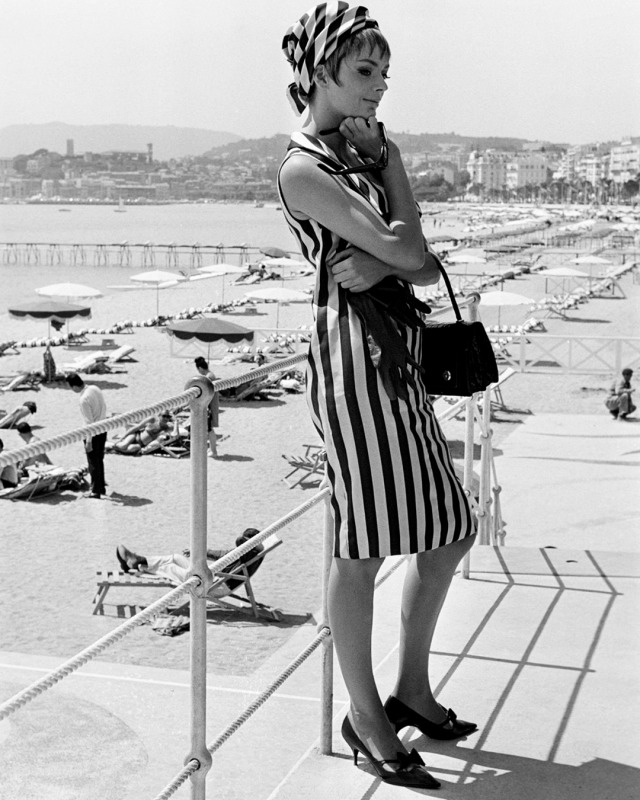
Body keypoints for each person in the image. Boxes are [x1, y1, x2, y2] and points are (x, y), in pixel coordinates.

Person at [278, 4, 476, 789]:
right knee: (359, 548)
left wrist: (387, 161)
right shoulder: (305, 166)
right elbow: (412, 251)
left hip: (391, 353)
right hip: (354, 364)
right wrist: (394, 252)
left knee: (450, 529)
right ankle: (366, 719)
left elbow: (414, 262)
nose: (378, 89)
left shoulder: (356, 150)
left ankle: (410, 692)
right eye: (364, 73)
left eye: (384, 75)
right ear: (321, 71)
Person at [115, 528, 265, 594]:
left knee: (170, 568)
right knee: (175, 558)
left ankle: (143, 567)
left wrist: (247, 540)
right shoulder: (245, 552)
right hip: (214, 578)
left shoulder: (250, 553)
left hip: (216, 585)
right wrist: (198, 552)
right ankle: (139, 560)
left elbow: (239, 540)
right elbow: (221, 554)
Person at [66, 372, 107, 498]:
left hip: (93, 432)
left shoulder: (83, 399)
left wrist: (88, 441)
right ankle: (100, 485)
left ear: (74, 386)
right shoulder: (95, 388)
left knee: (93, 462)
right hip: (103, 428)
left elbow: (89, 422)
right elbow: (103, 407)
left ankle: (96, 490)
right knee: (99, 459)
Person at [194, 356, 221, 457]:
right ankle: (212, 449)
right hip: (211, 403)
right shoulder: (211, 375)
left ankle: (213, 451)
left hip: (209, 405)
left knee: (209, 429)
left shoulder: (208, 377)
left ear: (200, 368)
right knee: (209, 429)